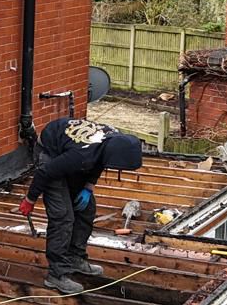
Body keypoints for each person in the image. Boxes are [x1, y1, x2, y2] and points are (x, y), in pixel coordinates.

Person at [17, 117, 145, 294]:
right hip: (50, 153)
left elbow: (100, 161)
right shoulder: (81, 155)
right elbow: (45, 173)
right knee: (63, 217)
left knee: (86, 209)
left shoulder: (113, 141)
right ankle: (56, 275)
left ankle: (75, 258)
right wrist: (30, 200)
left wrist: (88, 187)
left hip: (70, 150)